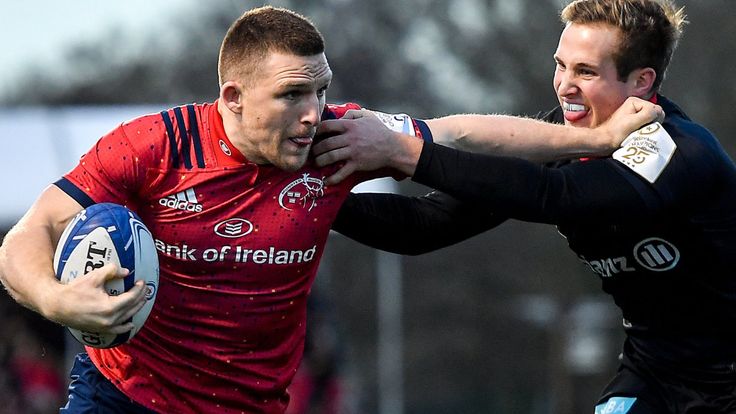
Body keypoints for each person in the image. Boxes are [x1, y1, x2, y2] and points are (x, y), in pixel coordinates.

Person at [0, 5, 660, 414]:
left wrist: (591, 140)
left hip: (250, 405)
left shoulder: (335, 138)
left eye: (322, 90)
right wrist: (58, 302)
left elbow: (464, 130)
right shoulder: (155, 147)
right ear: (232, 96)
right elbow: (26, 238)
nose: (313, 112)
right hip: (123, 398)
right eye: (292, 94)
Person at [315, 0, 736, 413]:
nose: (565, 85)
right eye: (561, 64)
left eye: (586, 72)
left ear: (642, 82)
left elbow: (553, 194)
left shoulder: (678, 153)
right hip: (652, 372)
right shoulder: (560, 138)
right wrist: (307, 199)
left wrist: (402, 151)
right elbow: (423, 225)